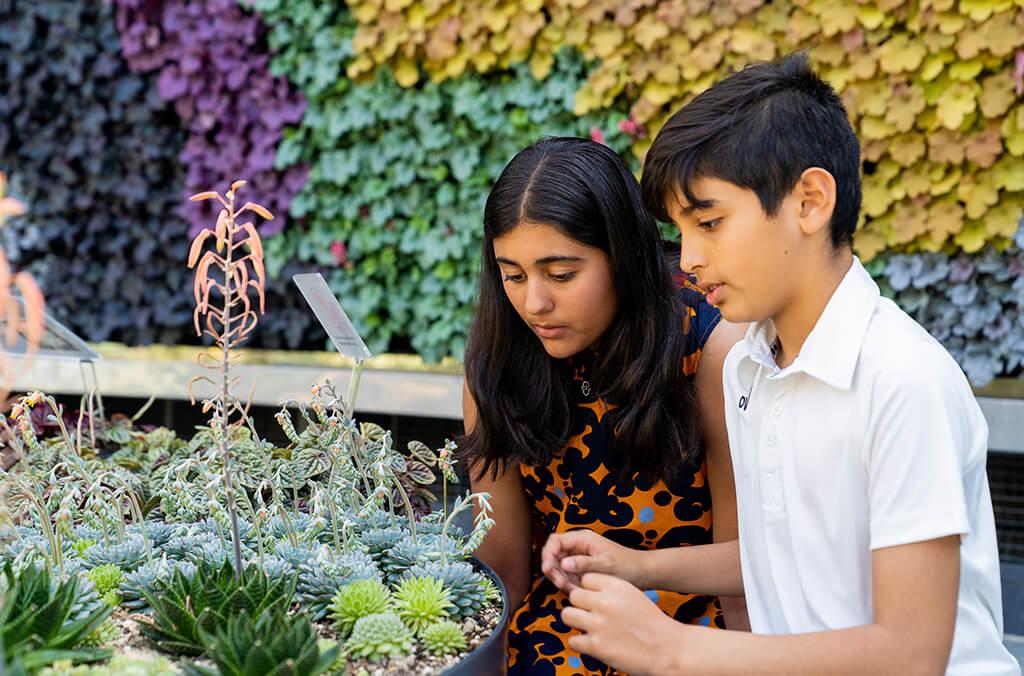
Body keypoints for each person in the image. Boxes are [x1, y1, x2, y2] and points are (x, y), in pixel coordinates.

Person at [541, 52, 1020, 675]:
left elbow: (912, 653)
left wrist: (675, 649)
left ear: (810, 201)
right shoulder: (749, 363)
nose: (688, 259)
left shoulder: (902, 380)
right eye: (682, 230)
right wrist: (635, 564)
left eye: (710, 222)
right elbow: (783, 554)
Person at [460, 136, 748, 674]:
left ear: (622, 257)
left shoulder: (709, 348)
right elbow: (502, 571)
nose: (534, 302)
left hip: (688, 638)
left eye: (562, 275)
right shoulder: (496, 365)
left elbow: (748, 564)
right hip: (557, 638)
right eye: (513, 275)